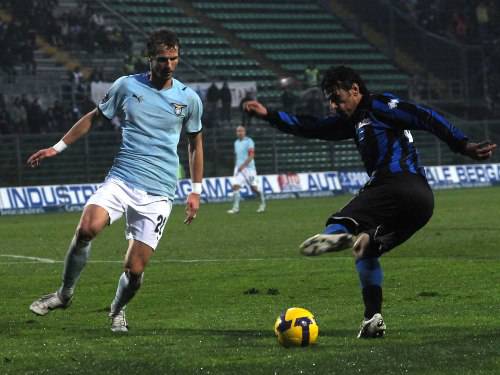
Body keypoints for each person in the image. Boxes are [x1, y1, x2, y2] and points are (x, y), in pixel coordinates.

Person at [244, 65, 496, 338]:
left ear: (355, 89)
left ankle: (333, 235)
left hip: (396, 184)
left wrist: (462, 144)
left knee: (343, 219)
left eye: (336, 97)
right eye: (329, 99)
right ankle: (371, 318)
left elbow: (423, 115)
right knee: (366, 249)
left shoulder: (378, 104)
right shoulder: (352, 121)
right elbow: (310, 127)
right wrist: (269, 115)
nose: (333, 105)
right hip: (420, 203)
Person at [26, 29, 204, 332]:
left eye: (174, 59)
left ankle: (117, 310)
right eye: (163, 59)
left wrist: (196, 190)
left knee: (134, 270)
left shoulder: (189, 99)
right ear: (150, 58)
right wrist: (57, 148)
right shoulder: (126, 86)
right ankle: (63, 294)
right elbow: (94, 117)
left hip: (159, 191)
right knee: (86, 228)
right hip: (122, 178)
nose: (169, 65)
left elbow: (195, 143)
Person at [227, 125, 266, 214]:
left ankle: (262, 203)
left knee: (254, 189)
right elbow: (237, 156)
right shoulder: (236, 142)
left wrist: (243, 166)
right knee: (235, 186)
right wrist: (237, 166)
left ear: (244, 132)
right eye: (238, 131)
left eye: (241, 131)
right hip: (239, 168)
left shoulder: (249, 141)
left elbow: (251, 156)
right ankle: (236, 208)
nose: (239, 133)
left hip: (249, 169)